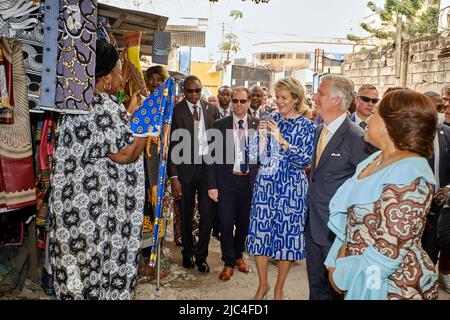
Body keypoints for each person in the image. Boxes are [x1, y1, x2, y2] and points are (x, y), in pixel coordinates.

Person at [48, 40, 148, 300]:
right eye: (117, 69)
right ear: (104, 78)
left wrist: (129, 114)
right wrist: (148, 120)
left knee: (76, 280)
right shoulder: (100, 106)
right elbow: (126, 153)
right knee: (94, 279)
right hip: (93, 221)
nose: (121, 76)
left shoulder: (77, 104)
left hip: (74, 216)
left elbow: (106, 141)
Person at [325, 88, 439, 300]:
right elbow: (350, 222)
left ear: (391, 125)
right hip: (359, 276)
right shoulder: (375, 159)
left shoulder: (410, 175)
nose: (369, 116)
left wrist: (344, 275)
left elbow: (386, 255)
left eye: (375, 112)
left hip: (391, 287)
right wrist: (337, 261)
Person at [246, 77, 316, 300]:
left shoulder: (308, 126)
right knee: (260, 236)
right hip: (266, 185)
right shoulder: (269, 119)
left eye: (284, 97)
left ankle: (279, 288)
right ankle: (263, 284)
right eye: (277, 97)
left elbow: (305, 160)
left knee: (287, 238)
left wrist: (281, 139)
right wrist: (259, 138)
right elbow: (253, 155)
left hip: (292, 189)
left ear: (296, 99)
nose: (279, 101)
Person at [306, 75, 372, 300]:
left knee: (336, 291)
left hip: (336, 233)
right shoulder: (319, 130)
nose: (315, 97)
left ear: (336, 100)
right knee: (316, 289)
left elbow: (364, 188)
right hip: (313, 226)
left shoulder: (357, 138)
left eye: (320, 93)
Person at [168, 75, 219, 273]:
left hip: (207, 172)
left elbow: (218, 143)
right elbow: (172, 147)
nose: (194, 94)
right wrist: (174, 177)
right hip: (185, 172)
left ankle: (201, 256)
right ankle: (187, 252)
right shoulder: (175, 112)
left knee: (207, 215)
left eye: (198, 90)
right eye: (190, 91)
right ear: (184, 91)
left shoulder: (211, 110)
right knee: (186, 214)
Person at [207, 87, 259, 281]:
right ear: (231, 102)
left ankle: (238, 255)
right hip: (226, 182)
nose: (238, 105)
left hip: (248, 182)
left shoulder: (257, 124)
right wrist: (212, 185)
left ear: (248, 103)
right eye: (235, 101)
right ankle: (228, 262)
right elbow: (210, 157)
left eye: (242, 101)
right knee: (226, 223)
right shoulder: (220, 124)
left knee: (244, 224)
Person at [421, 92, 450, 265]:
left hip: (439, 206)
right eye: (438, 107)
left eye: (443, 107)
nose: (442, 111)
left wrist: (447, 189)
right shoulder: (410, 133)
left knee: (430, 252)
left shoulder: (447, 133)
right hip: (415, 206)